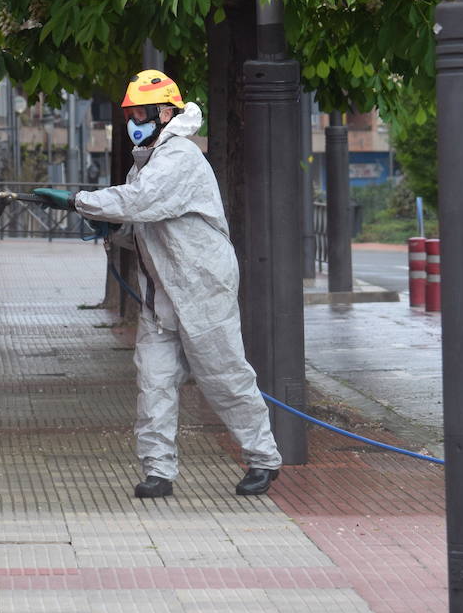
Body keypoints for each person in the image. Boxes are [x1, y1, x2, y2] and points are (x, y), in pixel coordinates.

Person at [33, 70, 282, 498]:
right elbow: (145, 226)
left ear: (168, 113)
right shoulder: (145, 165)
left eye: (143, 112)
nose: (135, 120)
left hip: (202, 289)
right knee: (154, 381)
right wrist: (109, 231)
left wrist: (77, 200)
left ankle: (263, 459)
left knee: (224, 377)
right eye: (131, 112)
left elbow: (142, 203)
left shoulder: (179, 157)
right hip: (161, 293)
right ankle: (158, 472)